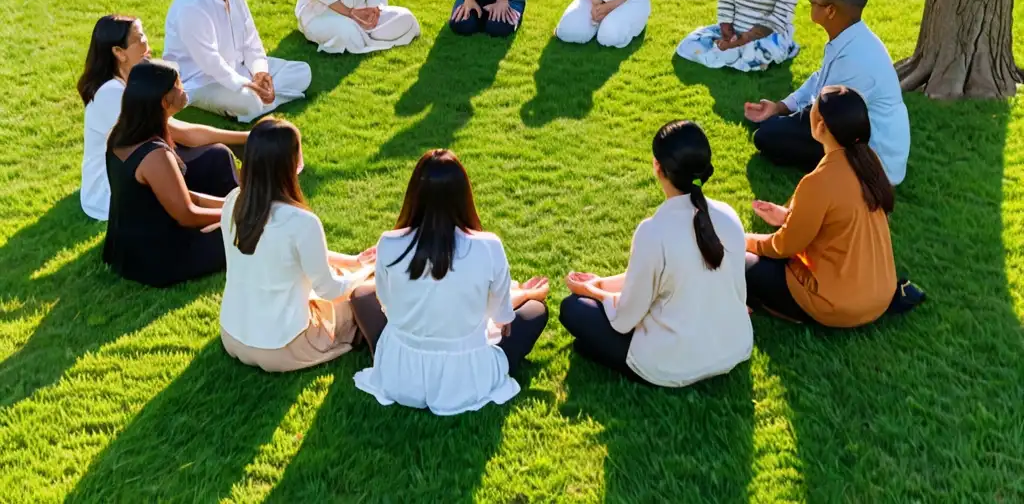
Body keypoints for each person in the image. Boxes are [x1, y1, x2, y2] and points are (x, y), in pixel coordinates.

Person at [351, 149, 550, 415]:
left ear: (414, 195)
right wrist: (524, 295)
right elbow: (501, 317)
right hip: (464, 378)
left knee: (363, 294)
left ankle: (387, 355)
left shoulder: (390, 243)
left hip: (400, 373)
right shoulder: (488, 246)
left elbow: (387, 304)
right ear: (464, 196)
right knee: (535, 311)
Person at [560, 121, 752, 386]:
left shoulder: (653, 232)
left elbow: (625, 318)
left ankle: (599, 352)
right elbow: (659, 273)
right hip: (733, 345)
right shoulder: (728, 215)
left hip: (676, 363)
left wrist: (595, 293)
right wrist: (601, 282)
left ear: (657, 167)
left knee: (573, 309)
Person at [745, 86, 924, 326]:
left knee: (741, 261)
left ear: (820, 127)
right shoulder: (872, 164)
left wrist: (742, 238)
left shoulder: (819, 182)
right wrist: (787, 216)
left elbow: (783, 247)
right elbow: (839, 218)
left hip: (838, 306)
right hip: (881, 295)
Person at [219, 117, 376, 372]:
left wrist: (353, 261)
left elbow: (287, 255)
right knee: (368, 291)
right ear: (292, 161)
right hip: (282, 348)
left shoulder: (233, 202)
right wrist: (364, 272)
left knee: (344, 274)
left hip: (233, 335)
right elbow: (330, 290)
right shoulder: (301, 222)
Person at [744, 0, 911, 185]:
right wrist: (780, 107)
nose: (810, 3)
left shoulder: (856, 59)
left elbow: (826, 113)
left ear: (830, 11)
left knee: (766, 137)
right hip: (849, 130)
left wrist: (780, 122)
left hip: (874, 161)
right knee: (773, 128)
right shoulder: (850, 37)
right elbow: (819, 80)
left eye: (814, 1)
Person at [78, 14, 248, 221]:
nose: (146, 43)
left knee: (213, 155)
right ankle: (244, 213)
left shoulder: (132, 83)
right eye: (139, 39)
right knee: (216, 156)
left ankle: (242, 207)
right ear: (118, 52)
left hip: (137, 168)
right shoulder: (111, 92)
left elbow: (174, 131)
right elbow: (183, 134)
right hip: (112, 193)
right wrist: (247, 137)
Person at [163, 0, 312, 123]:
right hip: (203, 82)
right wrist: (247, 85)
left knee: (302, 72)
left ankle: (259, 103)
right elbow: (211, 63)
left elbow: (252, 41)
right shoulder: (192, 5)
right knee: (249, 101)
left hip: (239, 68)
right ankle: (255, 105)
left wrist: (260, 72)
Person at [103, 60, 227, 287]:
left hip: (131, 251)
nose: (184, 89)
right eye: (178, 86)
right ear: (163, 101)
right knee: (256, 229)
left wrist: (232, 203)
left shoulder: (119, 134)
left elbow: (181, 195)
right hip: (162, 260)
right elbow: (187, 215)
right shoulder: (155, 156)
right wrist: (238, 215)